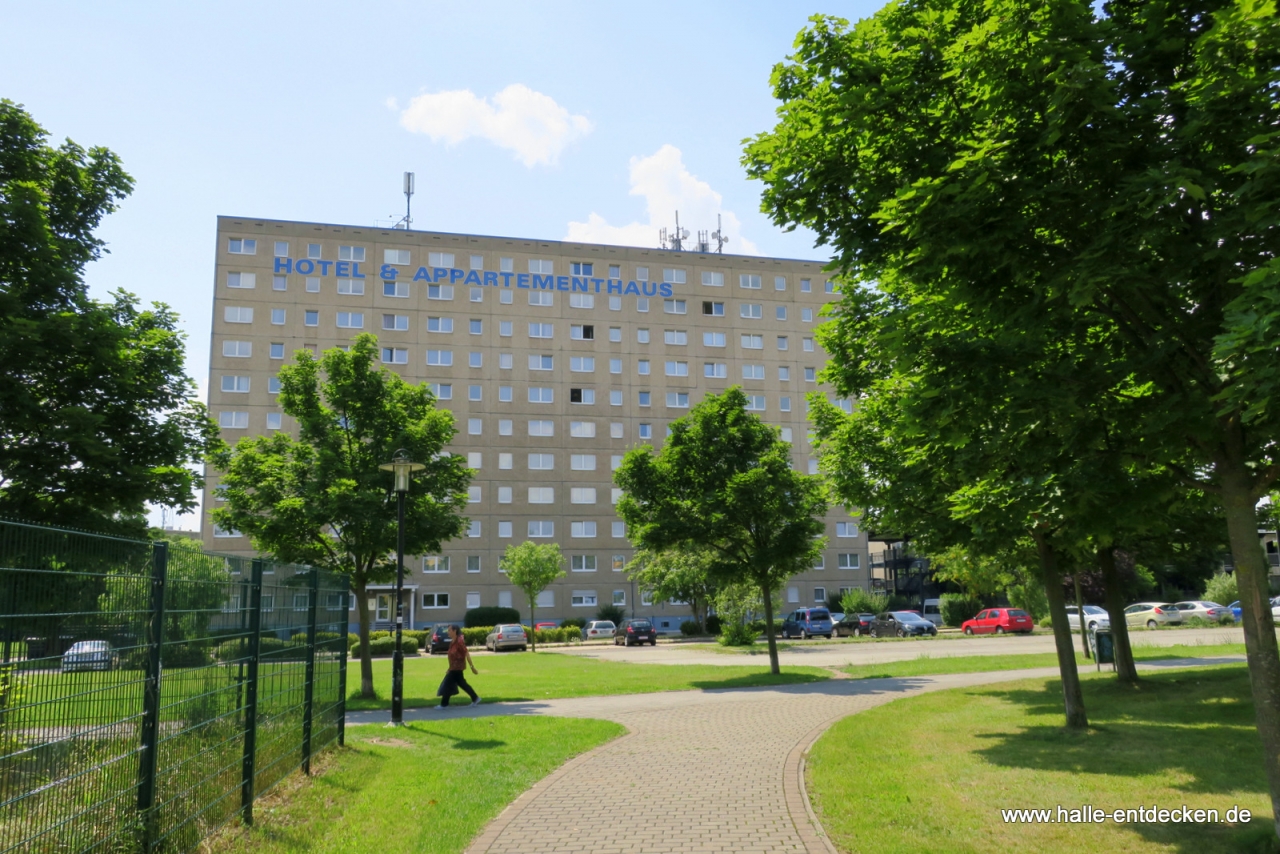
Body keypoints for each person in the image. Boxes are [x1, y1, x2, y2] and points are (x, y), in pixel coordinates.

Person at [437, 624, 481, 708]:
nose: (448, 632)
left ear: (455, 631)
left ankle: (444, 704)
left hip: (457, 668)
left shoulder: (459, 642)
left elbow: (466, 653)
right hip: (453, 668)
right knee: (462, 684)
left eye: (449, 630)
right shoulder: (452, 642)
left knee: (447, 684)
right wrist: (449, 668)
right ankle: (475, 698)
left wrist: (472, 667)